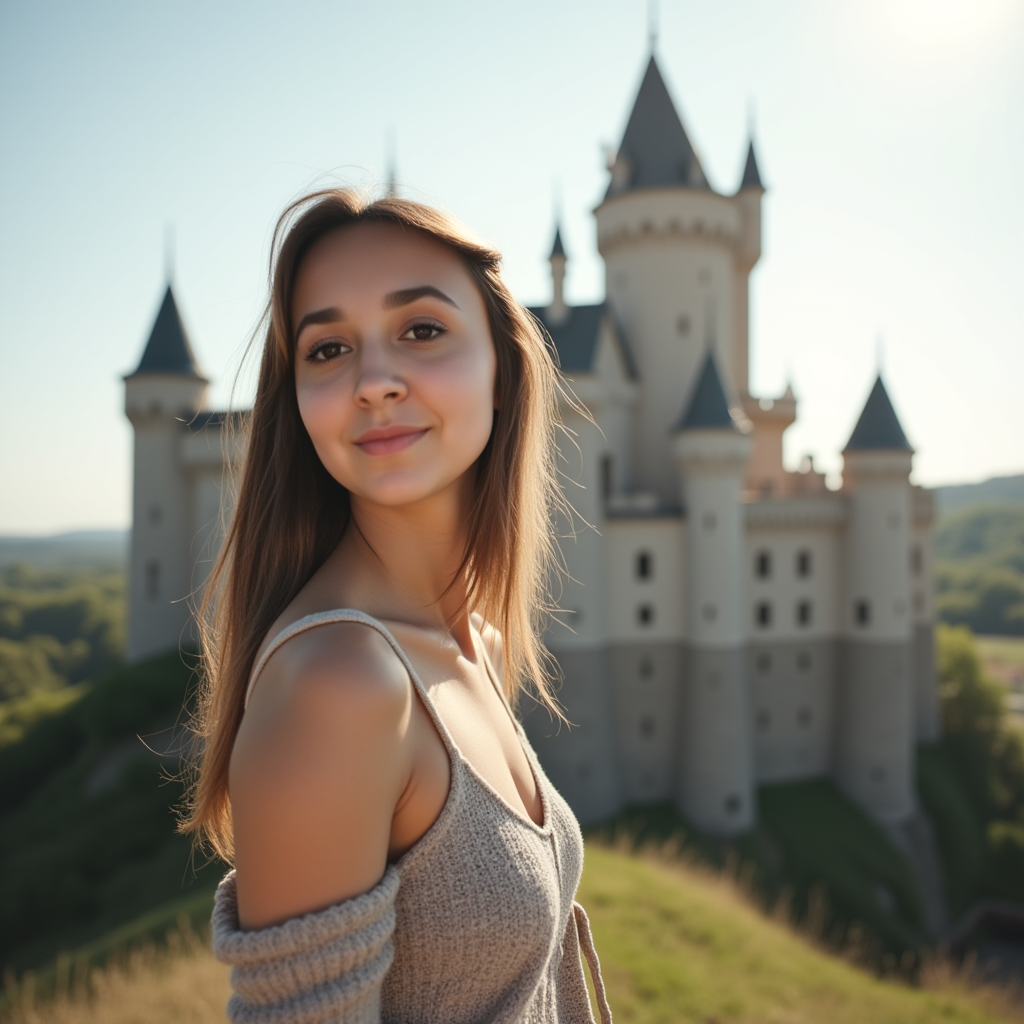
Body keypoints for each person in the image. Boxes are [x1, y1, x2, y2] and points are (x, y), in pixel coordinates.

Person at [182, 188, 613, 1024]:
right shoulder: (338, 685)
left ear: (501, 367)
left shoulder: (471, 639)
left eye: (420, 330)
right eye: (328, 348)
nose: (374, 382)